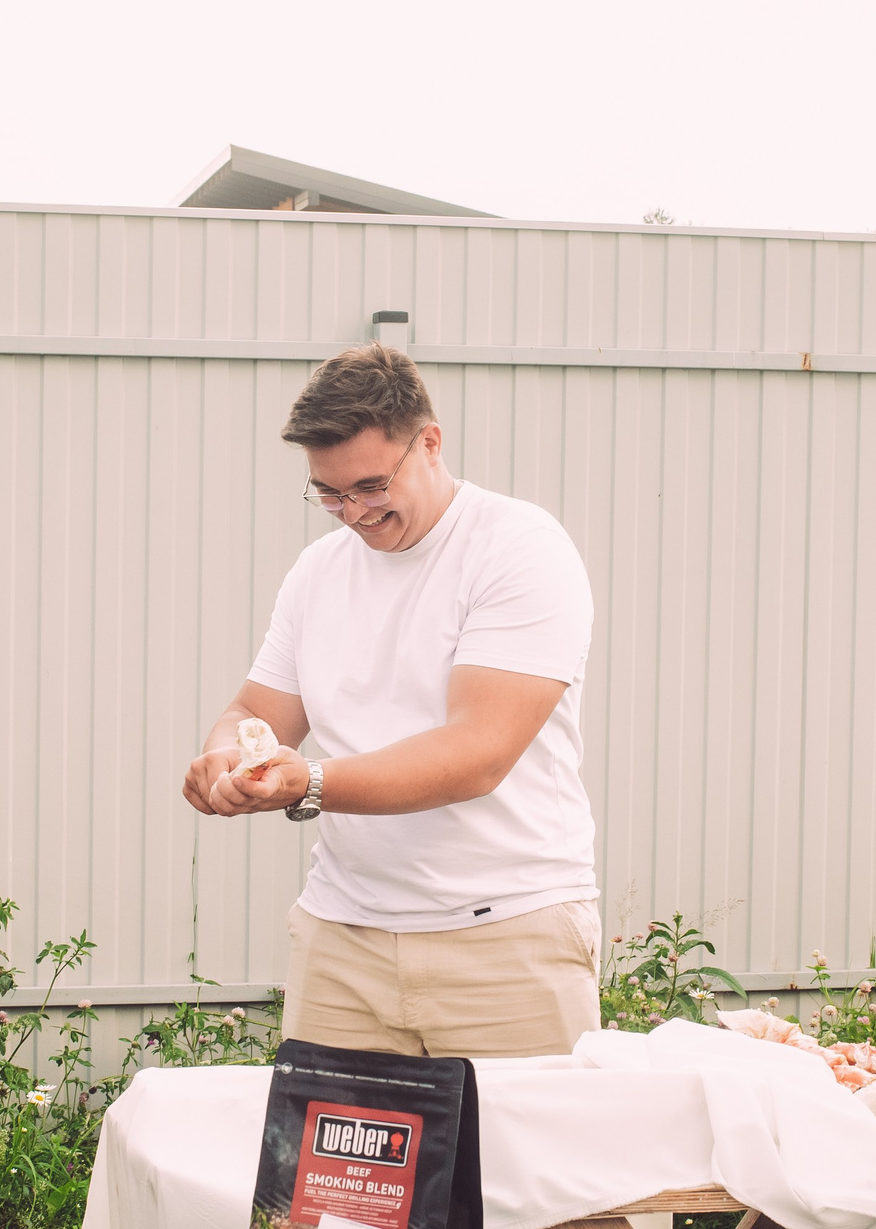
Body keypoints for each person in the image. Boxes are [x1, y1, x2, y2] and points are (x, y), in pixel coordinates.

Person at [182, 345, 601, 1059]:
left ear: (430, 443)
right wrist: (226, 757)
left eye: (371, 486)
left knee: (525, 1140)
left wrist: (309, 782)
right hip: (342, 941)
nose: (353, 513)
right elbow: (255, 713)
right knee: (325, 1142)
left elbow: (477, 754)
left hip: (507, 937)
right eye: (328, 493)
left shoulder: (519, 549)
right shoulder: (317, 572)